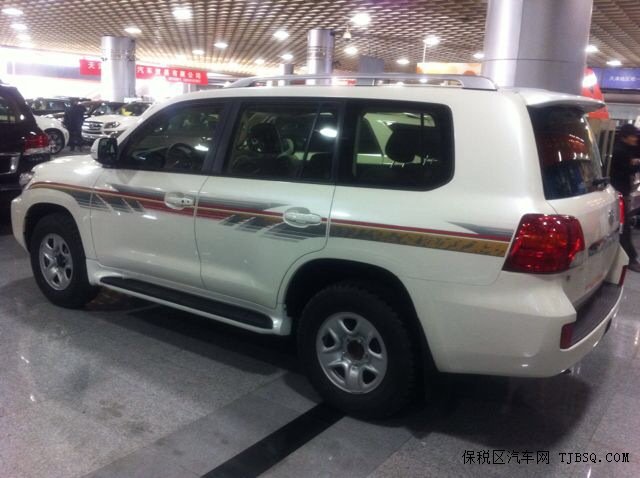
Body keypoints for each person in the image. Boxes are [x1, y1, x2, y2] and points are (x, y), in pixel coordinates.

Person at [610, 123, 640, 272]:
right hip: (619, 192)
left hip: (621, 191)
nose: (635, 139)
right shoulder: (620, 151)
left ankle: (628, 257)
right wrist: (637, 164)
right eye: (633, 136)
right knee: (624, 226)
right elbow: (626, 169)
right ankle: (630, 258)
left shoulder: (624, 149)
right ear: (625, 137)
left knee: (624, 226)